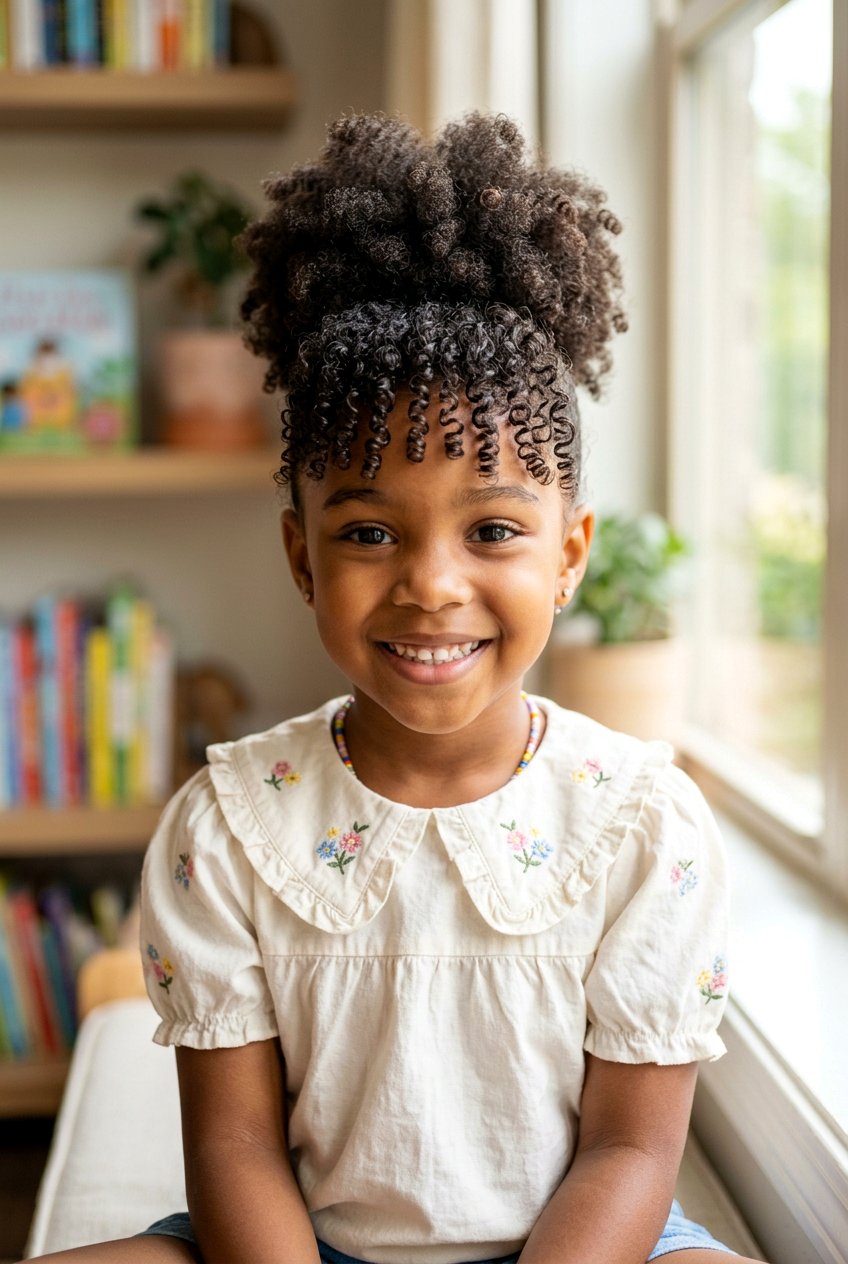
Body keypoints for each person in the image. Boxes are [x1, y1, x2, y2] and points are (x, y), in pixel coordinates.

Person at [36, 113, 767, 1264]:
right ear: (301, 557)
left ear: (568, 554)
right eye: (369, 531)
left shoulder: (641, 823)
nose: (430, 585)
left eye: (492, 530)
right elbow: (235, 1150)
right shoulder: (227, 823)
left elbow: (629, 1151)